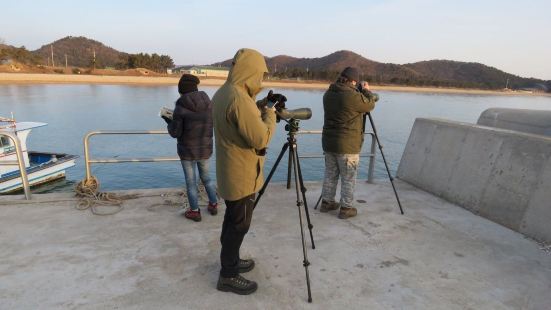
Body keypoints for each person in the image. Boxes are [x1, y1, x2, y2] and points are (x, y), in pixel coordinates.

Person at [212, 48, 286, 295]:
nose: (261, 81)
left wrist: (264, 104)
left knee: (232, 220)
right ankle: (228, 276)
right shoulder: (238, 98)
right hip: (241, 174)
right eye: (260, 75)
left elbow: (242, 115)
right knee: (239, 225)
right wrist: (272, 113)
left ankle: (230, 261)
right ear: (251, 72)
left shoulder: (226, 92)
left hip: (230, 171)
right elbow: (260, 137)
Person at [320, 66, 379, 219]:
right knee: (348, 178)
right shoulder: (351, 96)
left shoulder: (328, 94)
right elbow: (370, 105)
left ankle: (327, 203)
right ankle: (346, 208)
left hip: (329, 143)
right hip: (347, 145)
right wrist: (366, 90)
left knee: (330, 175)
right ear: (353, 81)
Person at [162, 74, 219, 222]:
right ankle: (213, 204)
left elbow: (175, 132)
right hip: (205, 149)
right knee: (207, 178)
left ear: (182, 90)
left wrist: (168, 121)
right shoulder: (208, 103)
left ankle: (194, 211)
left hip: (187, 151)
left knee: (191, 182)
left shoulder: (180, 107)